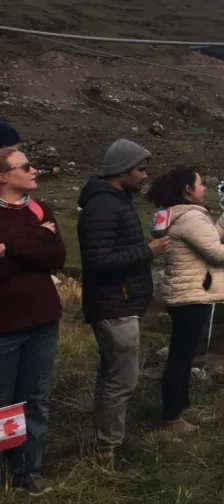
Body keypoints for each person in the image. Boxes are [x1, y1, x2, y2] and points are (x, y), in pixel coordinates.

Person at [146, 166, 224, 435]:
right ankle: (171, 418)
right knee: (180, 356)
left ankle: (182, 405)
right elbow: (215, 252)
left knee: (185, 354)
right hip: (190, 296)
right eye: (200, 184)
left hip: (187, 293)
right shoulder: (190, 218)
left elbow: (206, 239)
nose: (204, 188)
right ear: (188, 190)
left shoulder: (182, 216)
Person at [78, 139, 170, 467]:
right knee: (123, 380)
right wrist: (149, 251)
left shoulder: (116, 201)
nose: (145, 176)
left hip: (120, 304)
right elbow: (100, 261)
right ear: (122, 170)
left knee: (111, 375)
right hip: (115, 306)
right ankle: (108, 450)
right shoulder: (103, 207)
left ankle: (104, 445)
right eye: (140, 169)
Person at [0, 148, 65, 496]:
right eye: (25, 166)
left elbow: (56, 256)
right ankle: (7, 466)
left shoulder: (42, 210)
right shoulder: (39, 223)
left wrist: (9, 248)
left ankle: (28, 469)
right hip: (5, 325)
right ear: (3, 176)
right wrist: (34, 241)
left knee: (35, 398)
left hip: (42, 319)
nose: (34, 169)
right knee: (4, 402)